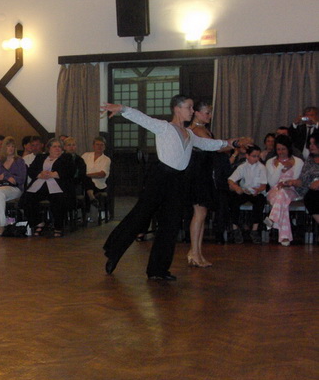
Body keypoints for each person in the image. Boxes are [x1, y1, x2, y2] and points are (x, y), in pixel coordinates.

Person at [101, 96, 252, 281]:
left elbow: (209, 145)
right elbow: (142, 118)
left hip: (178, 181)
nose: (192, 111)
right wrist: (123, 109)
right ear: (177, 109)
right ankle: (113, 252)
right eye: (189, 107)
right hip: (160, 177)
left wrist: (232, 143)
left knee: (170, 224)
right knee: (140, 216)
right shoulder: (165, 127)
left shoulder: (190, 134)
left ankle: (158, 270)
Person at [185, 100, 221, 268]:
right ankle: (194, 252)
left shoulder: (202, 129)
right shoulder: (197, 130)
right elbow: (216, 147)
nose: (210, 116)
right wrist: (234, 143)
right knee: (199, 214)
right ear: (197, 113)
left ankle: (197, 252)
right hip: (197, 175)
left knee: (202, 213)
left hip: (204, 174)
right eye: (207, 113)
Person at [20, 138, 76, 237]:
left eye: (59, 147)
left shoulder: (66, 157)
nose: (57, 149)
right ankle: (38, 222)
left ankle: (58, 226)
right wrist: (40, 174)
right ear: (49, 148)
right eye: (54, 146)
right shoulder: (40, 157)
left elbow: (70, 171)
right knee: (27, 198)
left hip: (58, 185)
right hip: (40, 184)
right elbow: (31, 170)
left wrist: (53, 174)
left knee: (58, 199)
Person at [264, 134, 304, 246]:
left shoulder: (298, 161)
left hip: (291, 190)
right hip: (275, 191)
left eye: (283, 149)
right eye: (278, 149)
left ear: (288, 148)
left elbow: (296, 180)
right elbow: (272, 182)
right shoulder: (270, 162)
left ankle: (272, 219)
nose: (281, 152)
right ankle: (284, 236)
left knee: (283, 194)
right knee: (282, 199)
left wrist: (286, 183)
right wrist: (280, 167)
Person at [227, 145, 267, 244]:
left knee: (260, 201)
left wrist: (258, 190)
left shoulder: (261, 167)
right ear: (247, 156)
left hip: (257, 192)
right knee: (233, 200)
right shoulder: (242, 167)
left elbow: (263, 185)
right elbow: (230, 179)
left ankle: (255, 229)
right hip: (245, 191)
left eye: (258, 156)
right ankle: (235, 228)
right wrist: (237, 188)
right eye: (254, 156)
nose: (256, 158)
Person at [295, 133, 319, 231]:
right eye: (310, 143)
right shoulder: (309, 160)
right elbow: (303, 178)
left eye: (314, 143)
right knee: (310, 198)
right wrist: (293, 182)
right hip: (312, 190)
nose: (311, 146)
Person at [82, 136, 111, 205]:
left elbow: (102, 174)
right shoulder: (86, 155)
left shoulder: (106, 159)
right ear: (93, 146)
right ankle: (92, 198)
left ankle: (90, 203)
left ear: (104, 147)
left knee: (87, 180)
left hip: (98, 185)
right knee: (86, 181)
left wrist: (87, 175)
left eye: (102, 145)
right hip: (84, 183)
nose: (99, 147)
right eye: (97, 144)